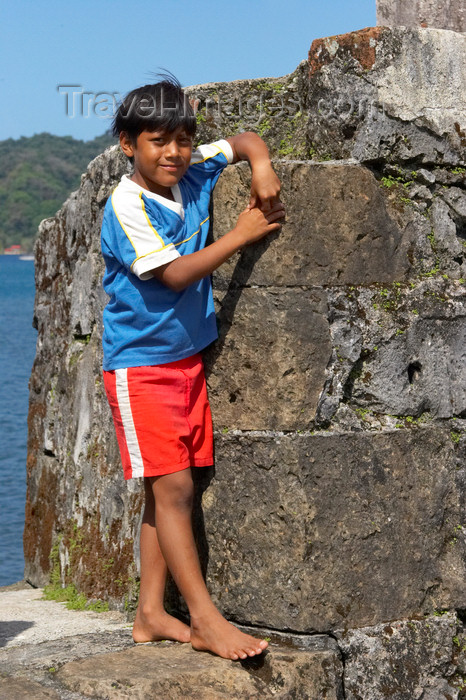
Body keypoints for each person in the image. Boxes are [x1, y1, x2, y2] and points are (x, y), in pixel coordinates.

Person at [101, 76, 285, 661]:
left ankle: (151, 613)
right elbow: (175, 274)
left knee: (169, 486)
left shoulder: (193, 169)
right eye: (159, 141)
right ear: (129, 144)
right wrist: (241, 232)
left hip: (183, 361)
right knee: (173, 485)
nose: (175, 152)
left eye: (183, 139)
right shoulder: (126, 204)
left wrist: (261, 165)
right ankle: (203, 619)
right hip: (141, 365)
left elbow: (246, 139)